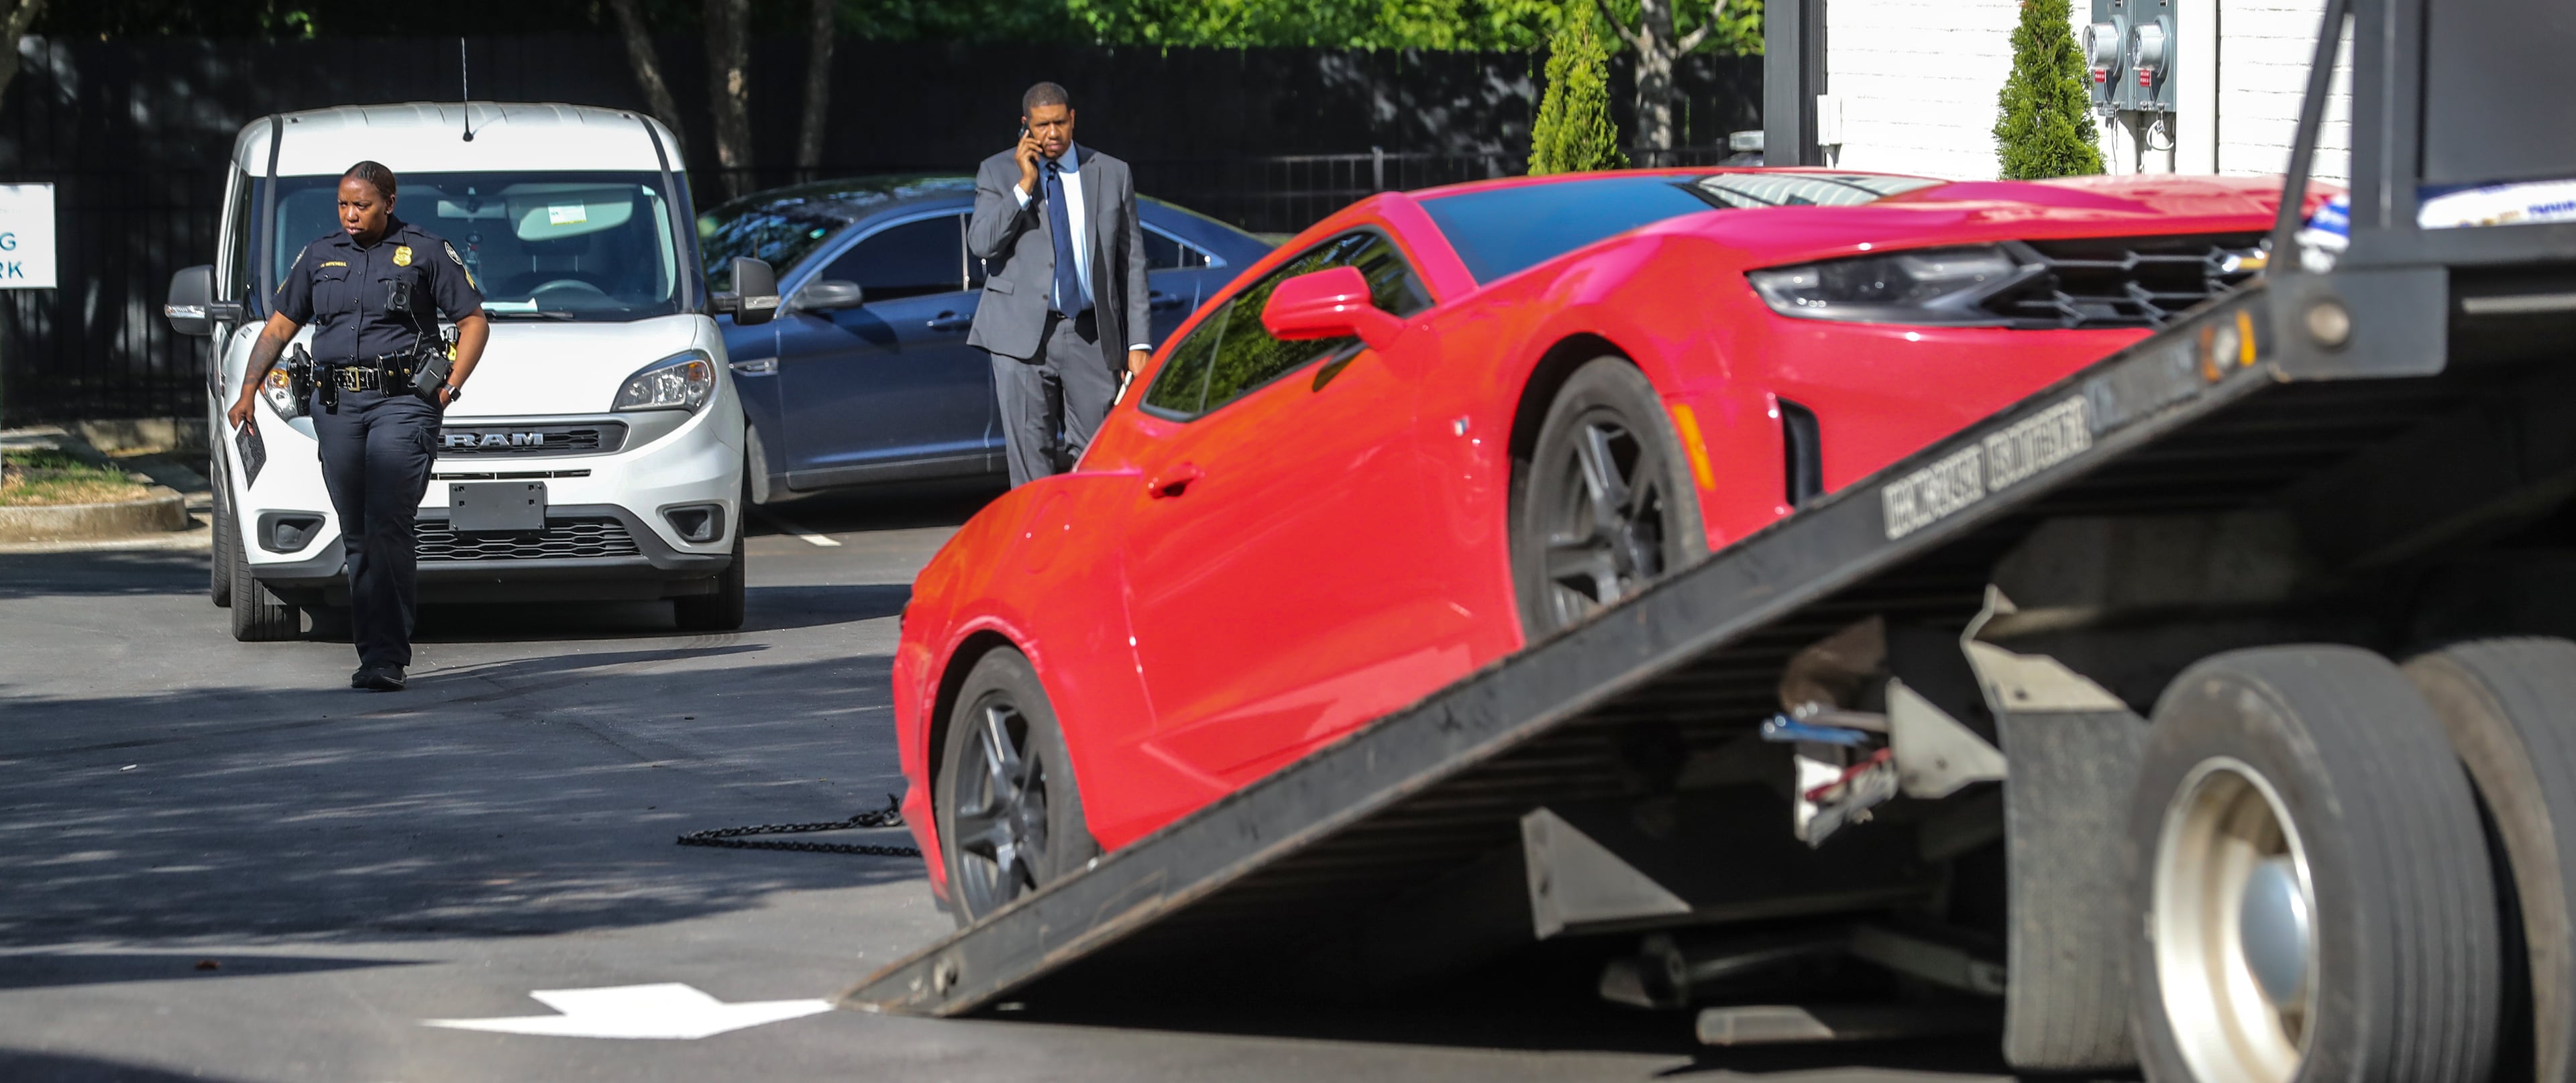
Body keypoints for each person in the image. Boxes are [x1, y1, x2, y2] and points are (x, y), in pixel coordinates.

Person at [224, 161, 488, 691]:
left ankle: (388, 655)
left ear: (389, 202)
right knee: (358, 531)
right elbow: (280, 324)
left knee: (388, 519)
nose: (350, 214)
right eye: (343, 204)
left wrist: (450, 383)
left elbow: (473, 321)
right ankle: (373, 653)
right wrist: (249, 389)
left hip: (403, 403)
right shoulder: (319, 256)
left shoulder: (426, 251)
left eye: (361, 204)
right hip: (338, 404)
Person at [967, 81, 1152, 486]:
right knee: (1031, 465)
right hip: (1020, 340)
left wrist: (1138, 344)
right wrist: (1024, 186)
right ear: (1025, 126)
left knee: (1097, 458)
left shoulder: (1111, 172)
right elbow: (982, 243)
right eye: (1041, 126)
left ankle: (1092, 545)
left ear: (1073, 119)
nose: (1052, 134)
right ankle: (1039, 548)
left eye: (1059, 123)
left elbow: (1132, 262)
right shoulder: (997, 171)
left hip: (1088, 334)